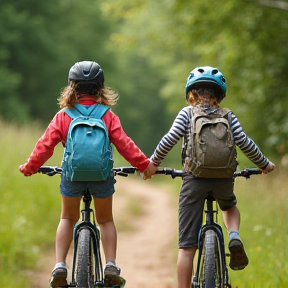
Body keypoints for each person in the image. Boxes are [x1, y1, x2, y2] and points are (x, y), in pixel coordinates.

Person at [19, 60, 153, 288]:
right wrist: (144, 165)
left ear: (72, 87)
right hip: (101, 178)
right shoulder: (108, 116)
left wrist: (30, 166)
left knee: (67, 218)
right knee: (105, 219)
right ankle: (111, 264)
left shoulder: (63, 115)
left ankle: (60, 265)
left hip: (72, 177)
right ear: (100, 88)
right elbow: (124, 144)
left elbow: (45, 145)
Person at [143, 66, 275, 288]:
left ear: (191, 93)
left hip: (193, 180)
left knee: (186, 249)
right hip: (224, 179)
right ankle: (233, 234)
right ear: (219, 94)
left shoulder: (187, 113)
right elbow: (245, 143)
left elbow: (170, 139)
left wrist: (152, 164)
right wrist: (264, 164)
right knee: (229, 206)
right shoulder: (228, 116)